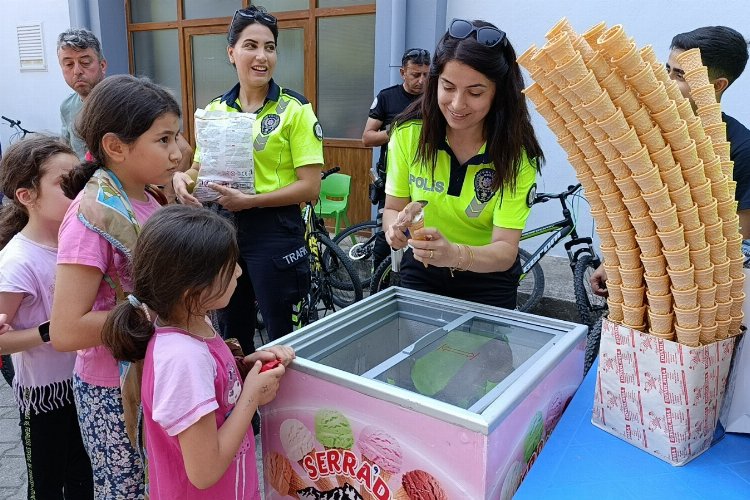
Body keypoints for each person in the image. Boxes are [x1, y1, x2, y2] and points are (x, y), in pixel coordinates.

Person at [49, 74, 183, 498]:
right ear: (115, 146)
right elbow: (66, 330)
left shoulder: (149, 197)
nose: (178, 152)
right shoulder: (91, 217)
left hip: (158, 373)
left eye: (177, 137)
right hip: (112, 387)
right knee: (126, 490)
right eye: (163, 140)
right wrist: (159, 309)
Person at [101, 205, 292, 498]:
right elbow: (204, 471)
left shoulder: (193, 323)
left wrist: (242, 369)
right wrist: (251, 395)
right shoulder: (183, 359)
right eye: (229, 268)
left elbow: (209, 392)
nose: (240, 271)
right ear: (193, 291)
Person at [173, 5, 323, 354]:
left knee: (283, 330)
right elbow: (200, 169)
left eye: (269, 47)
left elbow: (310, 187)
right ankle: (240, 400)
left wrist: (251, 201)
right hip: (223, 230)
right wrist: (184, 178)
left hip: (276, 232)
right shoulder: (213, 111)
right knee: (231, 328)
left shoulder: (295, 110)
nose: (262, 56)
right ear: (231, 53)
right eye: (251, 46)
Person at [383, 19, 544, 309]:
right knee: (416, 352)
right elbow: (395, 207)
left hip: (488, 278)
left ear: (499, 93)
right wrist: (394, 230)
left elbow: (506, 249)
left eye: (475, 92)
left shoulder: (516, 155)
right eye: (448, 87)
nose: (457, 104)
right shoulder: (408, 134)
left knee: (486, 354)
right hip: (422, 269)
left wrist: (454, 254)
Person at [591, 25, 750, 296]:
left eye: (679, 74)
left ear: (717, 84)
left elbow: (739, 233)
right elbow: (637, 210)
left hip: (702, 292)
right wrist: (617, 261)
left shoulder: (740, 148)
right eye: (667, 70)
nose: (665, 82)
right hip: (641, 283)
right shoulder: (650, 135)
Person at [0, 137, 94, 499]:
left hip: (83, 385)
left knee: (84, 478)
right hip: (44, 397)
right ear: (27, 196)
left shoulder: (78, 242)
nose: (78, 191)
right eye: (64, 183)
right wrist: (50, 331)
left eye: (79, 181)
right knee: (46, 486)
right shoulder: (17, 262)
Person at [363, 48, 430, 270]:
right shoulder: (387, 97)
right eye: (415, 74)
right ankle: (379, 282)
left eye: (426, 75)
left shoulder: (437, 99)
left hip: (427, 180)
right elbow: (367, 137)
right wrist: (399, 131)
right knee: (387, 238)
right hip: (393, 180)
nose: (421, 80)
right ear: (403, 72)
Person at [57, 28, 107, 161]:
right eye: (69, 64)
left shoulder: (124, 102)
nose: (77, 71)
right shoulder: (67, 106)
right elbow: (65, 151)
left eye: (85, 62)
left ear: (102, 65)